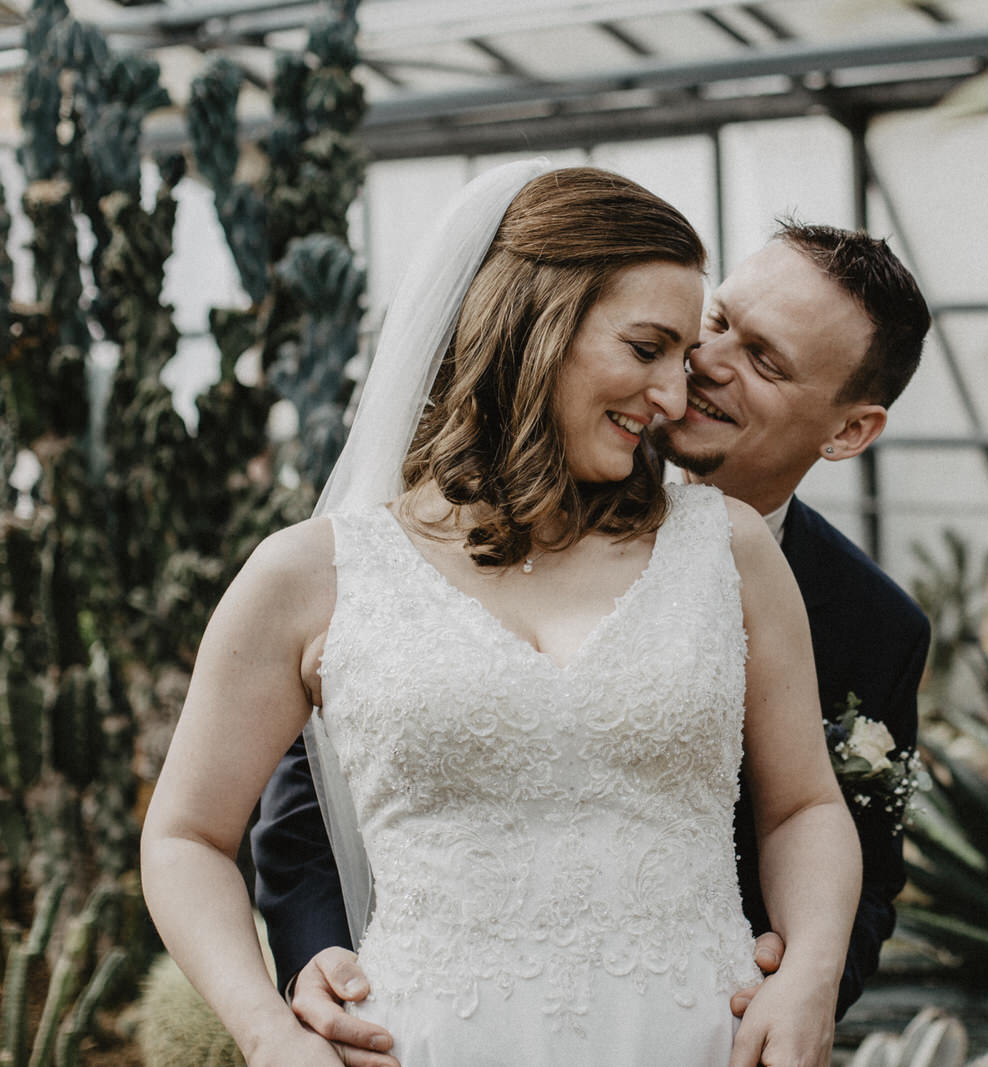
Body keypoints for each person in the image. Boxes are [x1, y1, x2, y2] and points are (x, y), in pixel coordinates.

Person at [140, 161, 862, 1067]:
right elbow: (185, 836)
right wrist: (267, 1031)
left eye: (684, 358)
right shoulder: (308, 574)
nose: (678, 398)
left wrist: (812, 972)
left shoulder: (728, 548)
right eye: (647, 349)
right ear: (533, 324)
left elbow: (803, 807)